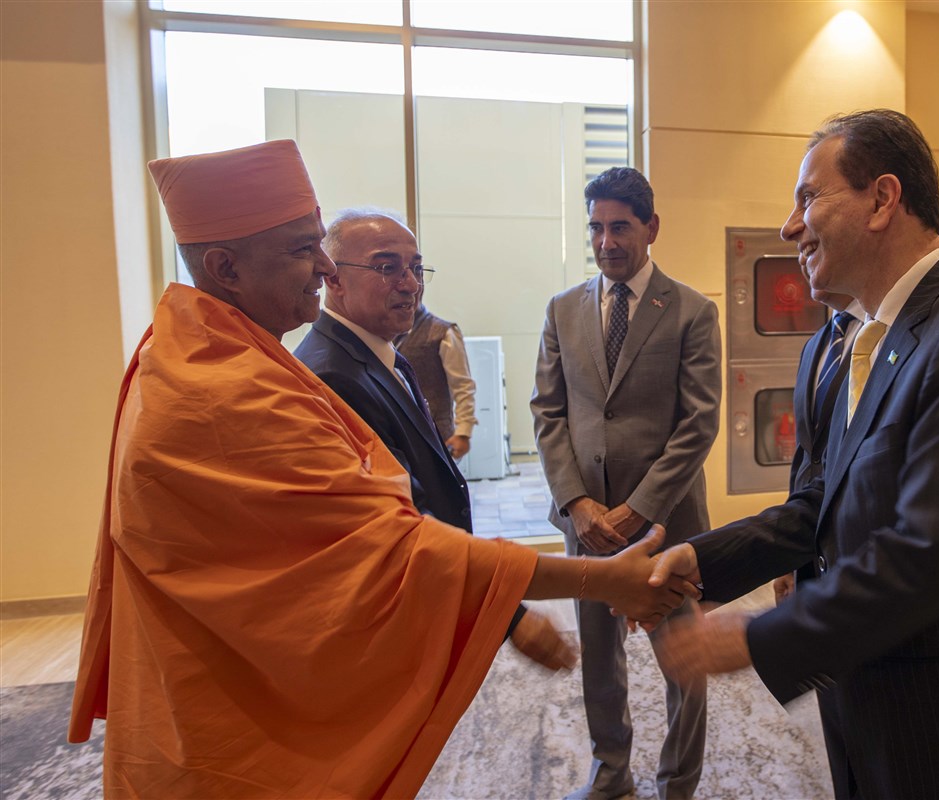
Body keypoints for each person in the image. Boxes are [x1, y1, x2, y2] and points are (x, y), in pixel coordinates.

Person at [67, 140, 695, 799]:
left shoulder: (220, 354)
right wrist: (598, 582)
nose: (321, 268)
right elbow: (393, 544)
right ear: (225, 266)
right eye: (302, 250)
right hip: (228, 723)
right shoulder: (226, 390)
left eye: (414, 267)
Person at [645, 110, 939, 799]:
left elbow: (931, 550)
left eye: (809, 197)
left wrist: (756, 637)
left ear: (883, 199)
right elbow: (820, 507)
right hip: (872, 711)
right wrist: (703, 559)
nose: (790, 225)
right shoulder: (847, 346)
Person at [294, 207, 573, 670]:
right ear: (333, 278)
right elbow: (407, 523)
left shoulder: (379, 351)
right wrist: (510, 615)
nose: (410, 284)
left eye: (416, 267)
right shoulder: (334, 377)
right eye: (387, 268)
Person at [531, 166, 720, 800]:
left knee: (683, 660)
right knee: (599, 658)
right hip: (585, 523)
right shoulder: (562, 310)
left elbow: (699, 423)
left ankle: (678, 782)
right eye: (596, 228)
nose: (607, 241)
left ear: (651, 228)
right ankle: (611, 768)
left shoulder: (692, 310)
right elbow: (548, 411)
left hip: (669, 523)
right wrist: (576, 503)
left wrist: (640, 509)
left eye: (620, 227)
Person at [773, 282, 864, 604]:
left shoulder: (884, 338)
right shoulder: (815, 344)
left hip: (858, 541)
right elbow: (805, 454)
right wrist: (787, 555)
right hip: (809, 529)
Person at [395, 282, 477, 460]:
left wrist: (463, 432)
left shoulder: (444, 332)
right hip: (400, 438)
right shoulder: (384, 333)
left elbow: (463, 385)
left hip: (439, 437)